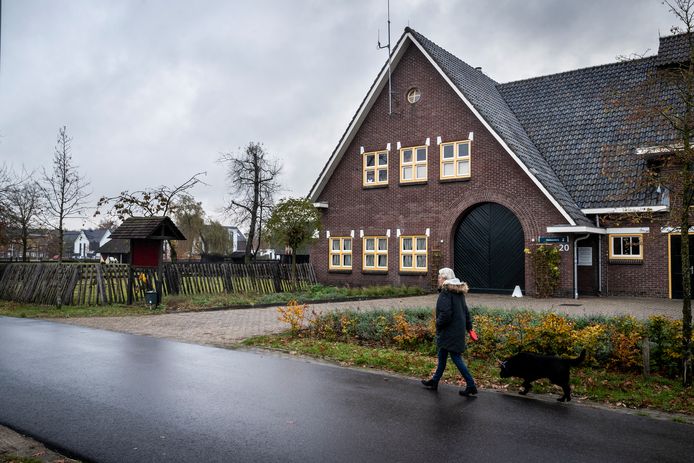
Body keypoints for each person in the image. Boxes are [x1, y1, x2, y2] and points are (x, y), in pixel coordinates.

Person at [421, 267, 478, 396]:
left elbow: (445, 314)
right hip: (456, 331)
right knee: (442, 356)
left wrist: (438, 324)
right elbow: (466, 311)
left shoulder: (446, 292)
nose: (438, 279)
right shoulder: (458, 292)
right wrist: (469, 327)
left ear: (445, 279)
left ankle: (471, 385)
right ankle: (435, 381)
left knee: (456, 357)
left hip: (448, 332)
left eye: (440, 277)